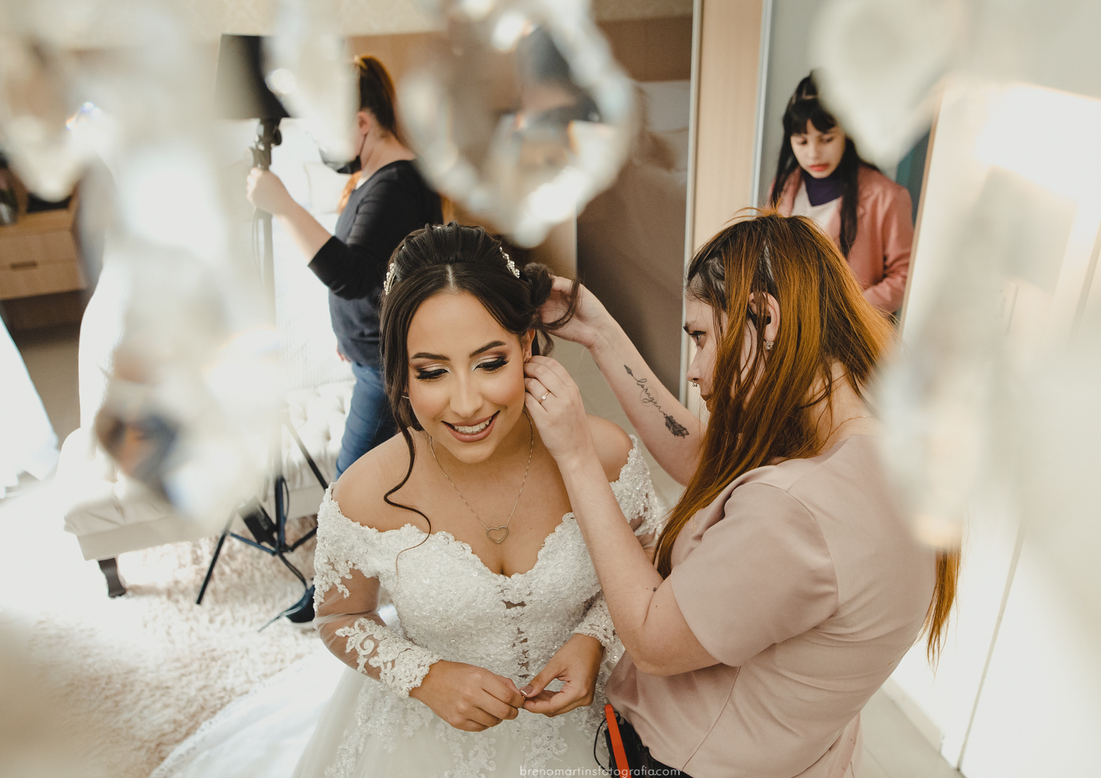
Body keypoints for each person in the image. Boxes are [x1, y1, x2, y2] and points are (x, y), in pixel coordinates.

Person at [147, 222, 665, 778]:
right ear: (401, 371)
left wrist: (594, 637)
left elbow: (650, 558)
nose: (466, 403)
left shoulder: (605, 454)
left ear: (526, 346)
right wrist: (426, 676)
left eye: (490, 363)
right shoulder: (362, 496)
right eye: (432, 371)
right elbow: (340, 617)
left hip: (592, 729)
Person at [523, 212, 959, 776]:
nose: (697, 371)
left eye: (702, 337)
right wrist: (600, 332)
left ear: (764, 315)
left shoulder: (799, 509)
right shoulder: (880, 441)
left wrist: (576, 454)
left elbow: (654, 638)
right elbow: (702, 456)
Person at [247, 55, 443, 477]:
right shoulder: (379, 178)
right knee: (385, 472)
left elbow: (351, 275)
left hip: (385, 367)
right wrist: (351, 333)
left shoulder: (394, 188)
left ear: (361, 124)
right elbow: (379, 273)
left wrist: (282, 206)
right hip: (373, 354)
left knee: (347, 484)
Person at [768, 72, 914, 314]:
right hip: (789, 326)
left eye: (826, 139)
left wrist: (849, 314)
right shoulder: (783, 186)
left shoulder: (886, 196)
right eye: (802, 142)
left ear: (846, 132)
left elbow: (904, 275)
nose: (813, 154)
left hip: (848, 336)